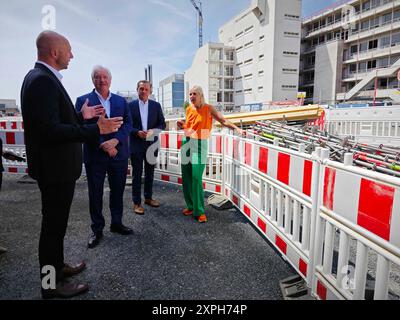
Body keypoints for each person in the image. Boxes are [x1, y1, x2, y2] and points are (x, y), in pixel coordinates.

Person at [20, 31, 123, 299]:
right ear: (54, 52)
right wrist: (95, 129)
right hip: (55, 170)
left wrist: (80, 116)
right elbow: (51, 131)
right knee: (52, 227)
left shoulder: (42, 78)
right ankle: (50, 284)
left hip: (56, 169)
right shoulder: (42, 81)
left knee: (56, 225)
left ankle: (57, 268)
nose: (72, 55)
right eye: (68, 50)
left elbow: (54, 123)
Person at [75, 66, 133, 249]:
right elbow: (81, 127)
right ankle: (97, 229)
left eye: (105, 77)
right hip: (95, 154)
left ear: (110, 79)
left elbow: (128, 124)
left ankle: (116, 223)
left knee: (117, 190)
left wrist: (115, 141)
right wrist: (102, 143)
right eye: (97, 77)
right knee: (95, 193)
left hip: (118, 154)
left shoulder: (121, 101)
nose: (102, 80)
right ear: (92, 80)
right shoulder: (83, 101)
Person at [177, 85, 244, 223]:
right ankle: (190, 206)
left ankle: (199, 211)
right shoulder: (189, 109)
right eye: (190, 94)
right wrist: (182, 125)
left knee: (196, 177)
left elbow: (223, 120)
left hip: (200, 143)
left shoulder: (208, 108)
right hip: (187, 141)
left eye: (194, 94)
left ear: (201, 95)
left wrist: (237, 128)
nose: (192, 96)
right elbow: (189, 127)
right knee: (186, 177)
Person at [129, 80, 166, 215]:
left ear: (150, 91)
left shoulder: (156, 106)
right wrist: (136, 132)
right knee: (137, 174)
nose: (143, 91)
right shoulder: (130, 106)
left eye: (146, 89)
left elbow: (162, 124)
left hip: (151, 143)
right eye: (141, 89)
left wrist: (153, 131)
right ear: (137, 90)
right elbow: (126, 125)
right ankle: (136, 203)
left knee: (150, 173)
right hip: (136, 143)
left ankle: (148, 198)